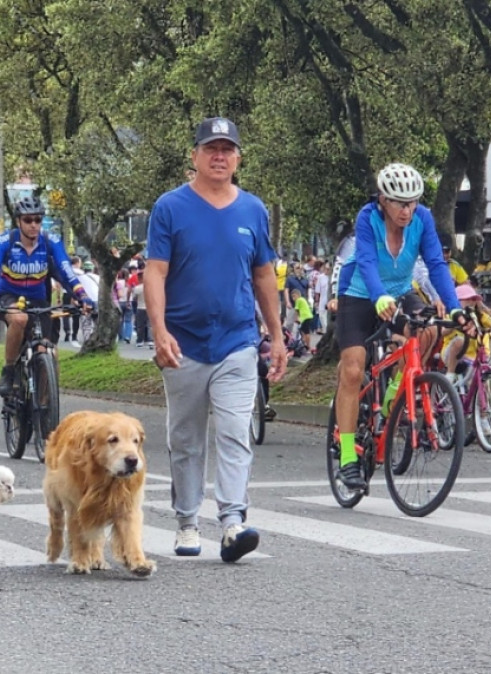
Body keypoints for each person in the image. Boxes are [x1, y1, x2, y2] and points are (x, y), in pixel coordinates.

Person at [145, 116, 287, 563]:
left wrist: (277, 336)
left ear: (238, 158)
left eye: (227, 149)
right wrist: (159, 330)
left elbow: (263, 274)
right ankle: (187, 521)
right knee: (185, 436)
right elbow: (156, 272)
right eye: (211, 149)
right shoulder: (170, 208)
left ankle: (232, 521)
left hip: (238, 341)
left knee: (234, 431)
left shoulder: (253, 210)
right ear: (195, 156)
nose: (219, 156)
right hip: (184, 343)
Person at [333, 163, 473, 490]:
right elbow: (366, 261)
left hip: (400, 292)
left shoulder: (422, 219)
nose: (406, 210)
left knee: (431, 330)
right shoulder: (368, 217)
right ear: (383, 199)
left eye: (412, 202)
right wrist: (378, 296)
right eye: (399, 202)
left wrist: (455, 309)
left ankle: (398, 394)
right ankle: (348, 458)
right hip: (360, 295)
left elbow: (436, 265)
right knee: (353, 370)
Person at [0, 196, 95, 397]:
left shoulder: (51, 241)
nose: (34, 225)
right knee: (20, 319)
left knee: (48, 352)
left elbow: (66, 271)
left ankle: (45, 406)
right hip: (8, 294)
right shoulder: (5, 241)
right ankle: (9, 370)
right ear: (18, 221)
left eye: (38, 220)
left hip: (38, 300)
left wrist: (82, 295)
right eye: (28, 220)